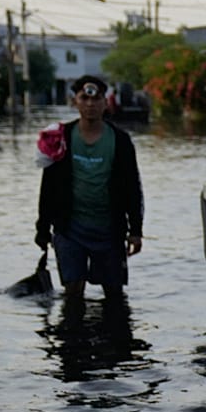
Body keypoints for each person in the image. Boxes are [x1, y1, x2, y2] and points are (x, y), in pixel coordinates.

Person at [35, 75, 144, 302]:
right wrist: (43, 228)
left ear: (105, 102)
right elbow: (48, 188)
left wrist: (135, 230)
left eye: (96, 99)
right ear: (74, 102)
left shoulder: (121, 140)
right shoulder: (60, 137)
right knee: (73, 292)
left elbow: (133, 187)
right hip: (69, 229)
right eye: (84, 98)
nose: (90, 104)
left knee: (114, 294)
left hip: (109, 229)